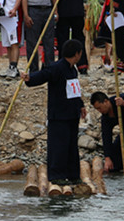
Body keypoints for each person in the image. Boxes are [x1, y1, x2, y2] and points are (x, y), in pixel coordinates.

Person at [21, 39, 87, 184]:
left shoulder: (72, 69)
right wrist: (29, 78)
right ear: (77, 54)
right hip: (59, 115)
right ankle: (56, 175)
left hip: (72, 114)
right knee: (58, 146)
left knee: (71, 146)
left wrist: (81, 105)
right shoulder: (57, 67)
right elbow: (43, 76)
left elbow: (75, 91)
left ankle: (73, 174)